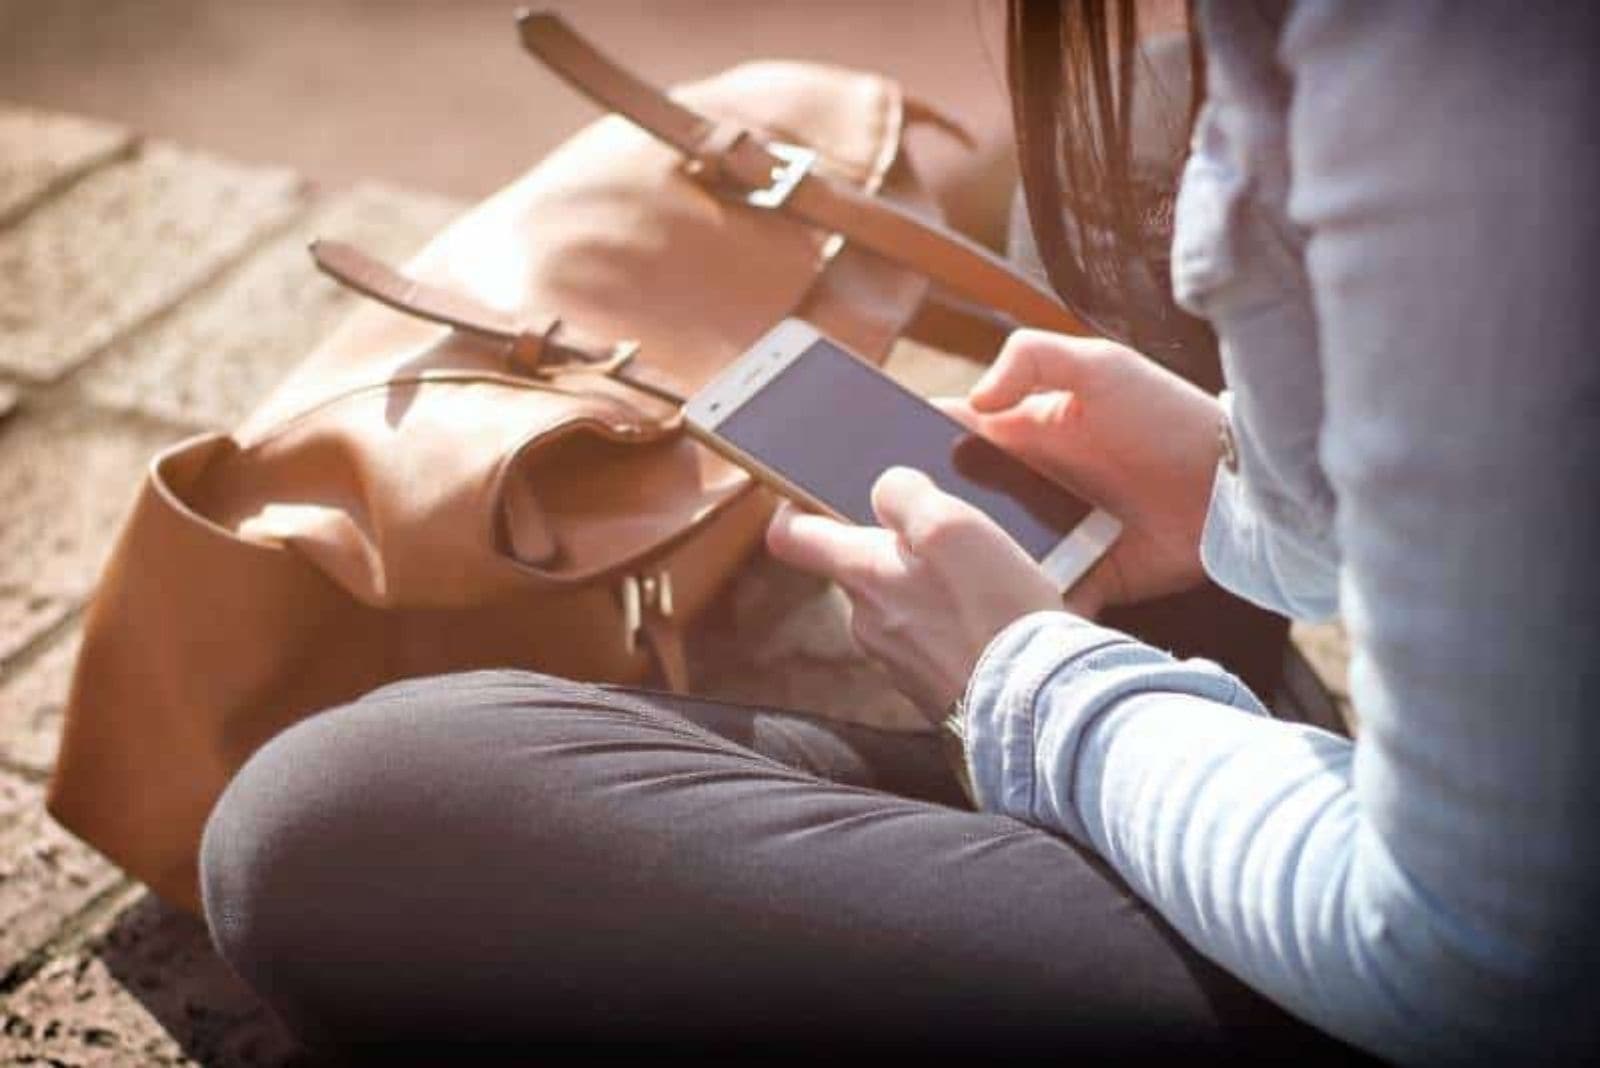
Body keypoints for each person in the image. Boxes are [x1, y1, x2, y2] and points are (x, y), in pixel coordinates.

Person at [197, 2, 1599, 1061]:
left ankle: (1152, 768)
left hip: (1465, 982)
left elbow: (1485, 963)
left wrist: (1033, 688)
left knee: (345, 824)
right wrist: (1252, 503)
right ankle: (1205, 748)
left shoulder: (1448, 86)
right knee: (1134, 128)